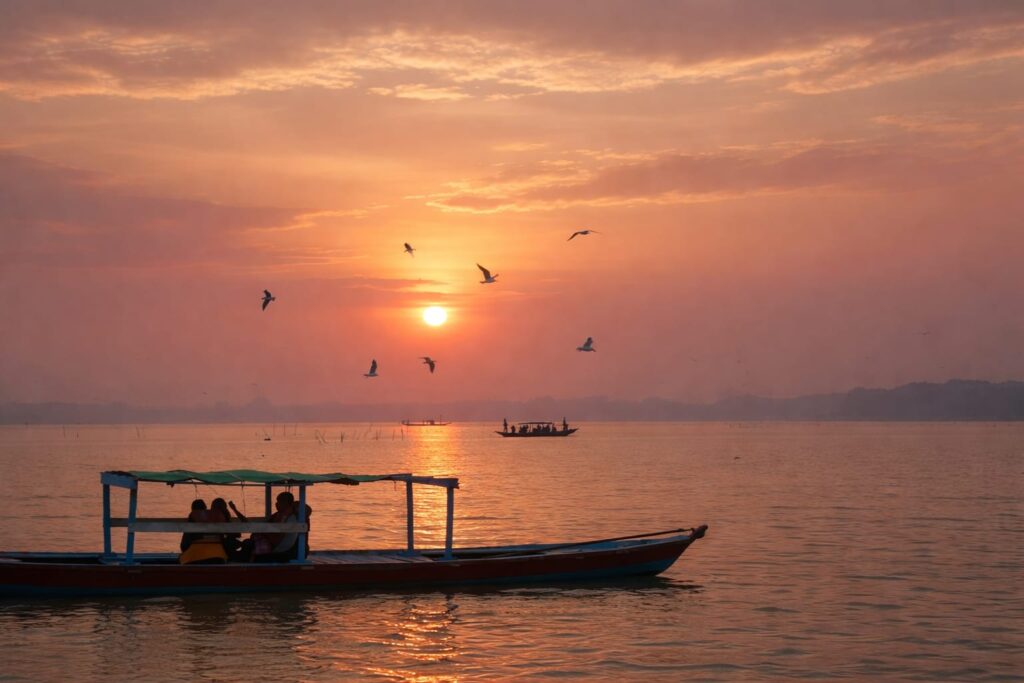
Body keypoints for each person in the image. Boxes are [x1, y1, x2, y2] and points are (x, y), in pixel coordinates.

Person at [178, 498, 228, 565]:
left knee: (180, 558)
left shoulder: (192, 518)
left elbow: (184, 545)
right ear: (205, 509)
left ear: (193, 510)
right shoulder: (216, 517)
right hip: (218, 556)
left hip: (195, 557)